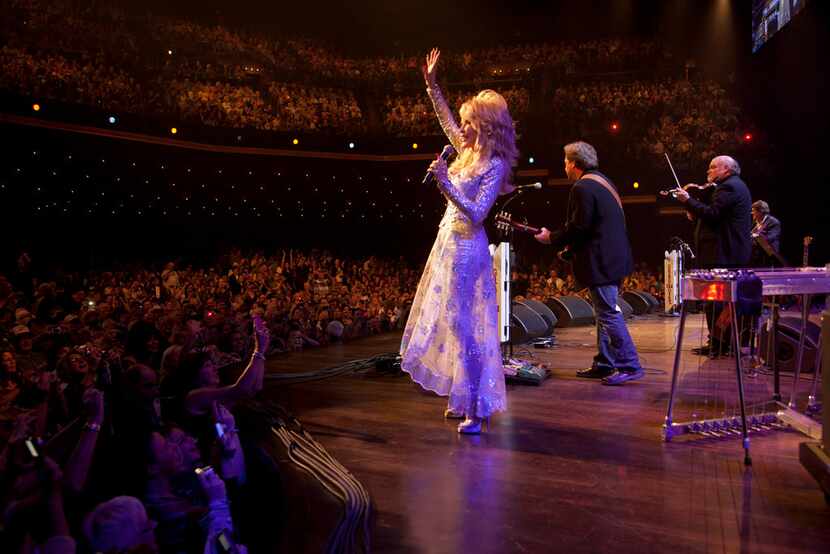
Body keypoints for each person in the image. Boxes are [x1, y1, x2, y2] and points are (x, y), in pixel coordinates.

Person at [400, 48, 517, 434]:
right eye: (462, 123)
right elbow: (444, 118)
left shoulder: (492, 163)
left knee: (467, 325)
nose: (461, 129)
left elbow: (478, 212)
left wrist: (446, 183)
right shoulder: (466, 150)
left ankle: (477, 409)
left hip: (468, 247)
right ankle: (463, 395)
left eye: (468, 124)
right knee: (452, 321)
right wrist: (431, 84)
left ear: (483, 126)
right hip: (447, 243)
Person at [533, 141, 643, 385]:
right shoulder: (605, 183)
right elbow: (596, 227)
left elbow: (579, 226)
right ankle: (605, 363)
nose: (564, 166)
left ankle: (629, 364)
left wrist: (552, 237)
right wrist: (571, 251)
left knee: (608, 313)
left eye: (565, 162)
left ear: (573, 163)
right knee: (605, 313)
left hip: (602, 261)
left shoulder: (582, 187)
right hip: (616, 258)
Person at [672, 155, 752, 355]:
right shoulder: (730, 186)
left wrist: (688, 200)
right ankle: (719, 342)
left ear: (727, 169)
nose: (708, 171)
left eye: (712, 167)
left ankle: (718, 344)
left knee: (715, 300)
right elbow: (713, 216)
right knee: (718, 301)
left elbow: (713, 215)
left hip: (722, 255)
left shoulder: (729, 187)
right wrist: (694, 209)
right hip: (726, 253)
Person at [750, 200, 783, 266]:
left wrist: (755, 235)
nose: (752, 213)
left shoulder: (774, 222)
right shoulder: (755, 222)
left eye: (754, 211)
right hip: (756, 257)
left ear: (760, 212)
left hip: (769, 257)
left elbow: (770, 238)